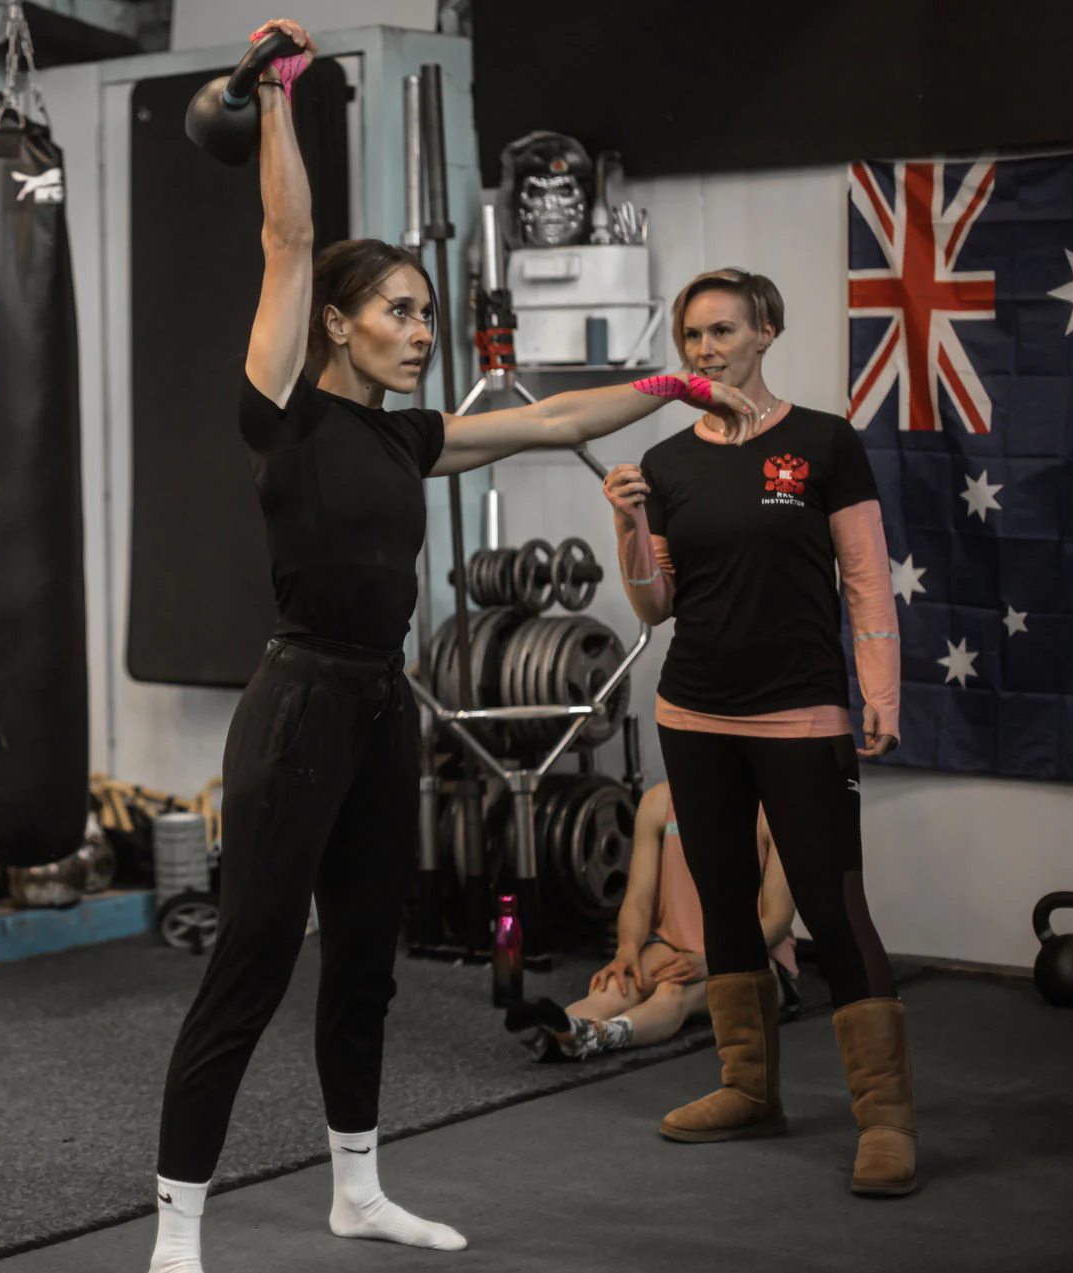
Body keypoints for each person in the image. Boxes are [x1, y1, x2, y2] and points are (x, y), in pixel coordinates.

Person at [146, 23, 760, 1273]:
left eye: (426, 311)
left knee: (364, 961)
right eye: (398, 311)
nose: (421, 329)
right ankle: (177, 1225)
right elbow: (283, 241)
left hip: (387, 704)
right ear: (336, 326)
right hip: (299, 702)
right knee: (254, 966)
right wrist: (275, 98)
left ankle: (358, 1189)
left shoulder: (408, 440)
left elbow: (548, 421)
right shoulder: (286, 414)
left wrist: (668, 387)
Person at [602, 267, 914, 1196]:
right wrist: (627, 524)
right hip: (693, 710)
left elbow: (864, 577)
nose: (706, 349)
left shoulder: (823, 444)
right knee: (727, 900)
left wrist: (880, 690)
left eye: (723, 331)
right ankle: (748, 1087)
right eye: (693, 335)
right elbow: (656, 605)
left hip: (802, 708)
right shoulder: (665, 464)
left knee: (832, 902)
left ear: (767, 331)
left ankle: (887, 1120)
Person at [505, 780, 801, 1061]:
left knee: (672, 991)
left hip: (753, 956)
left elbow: (776, 921)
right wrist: (627, 949)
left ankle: (596, 1037)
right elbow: (637, 899)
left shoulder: (772, 809)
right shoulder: (660, 801)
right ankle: (562, 1028)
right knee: (618, 986)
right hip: (675, 944)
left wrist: (713, 959)